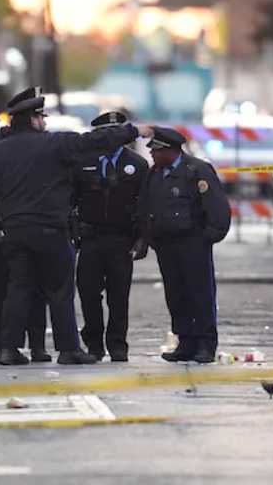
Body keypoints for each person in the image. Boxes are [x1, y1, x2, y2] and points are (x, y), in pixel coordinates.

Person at [0, 92, 154, 365]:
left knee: (18, 289)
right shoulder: (55, 144)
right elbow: (95, 140)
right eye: (41, 117)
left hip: (15, 231)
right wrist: (133, 131)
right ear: (32, 119)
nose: (44, 122)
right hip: (50, 230)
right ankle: (68, 349)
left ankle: (9, 349)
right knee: (59, 289)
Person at [138, 127, 231, 364]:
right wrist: (149, 238)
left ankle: (205, 345)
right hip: (166, 245)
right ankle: (185, 342)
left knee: (199, 294)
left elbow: (216, 207)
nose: (152, 155)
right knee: (176, 295)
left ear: (171, 151)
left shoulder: (196, 170)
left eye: (156, 151)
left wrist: (208, 237)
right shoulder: (154, 175)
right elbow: (147, 207)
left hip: (193, 243)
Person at [0, 88, 50, 363]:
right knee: (2, 289)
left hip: (27, 225)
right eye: (39, 115)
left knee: (36, 289)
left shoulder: (43, 142)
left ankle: (37, 346)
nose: (43, 121)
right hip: (4, 226)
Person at [72, 111, 149, 362]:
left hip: (121, 239)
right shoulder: (83, 162)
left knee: (119, 295)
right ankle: (93, 342)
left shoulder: (137, 164)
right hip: (90, 238)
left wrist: (142, 239)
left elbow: (144, 206)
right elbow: (70, 199)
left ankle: (117, 344)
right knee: (88, 293)